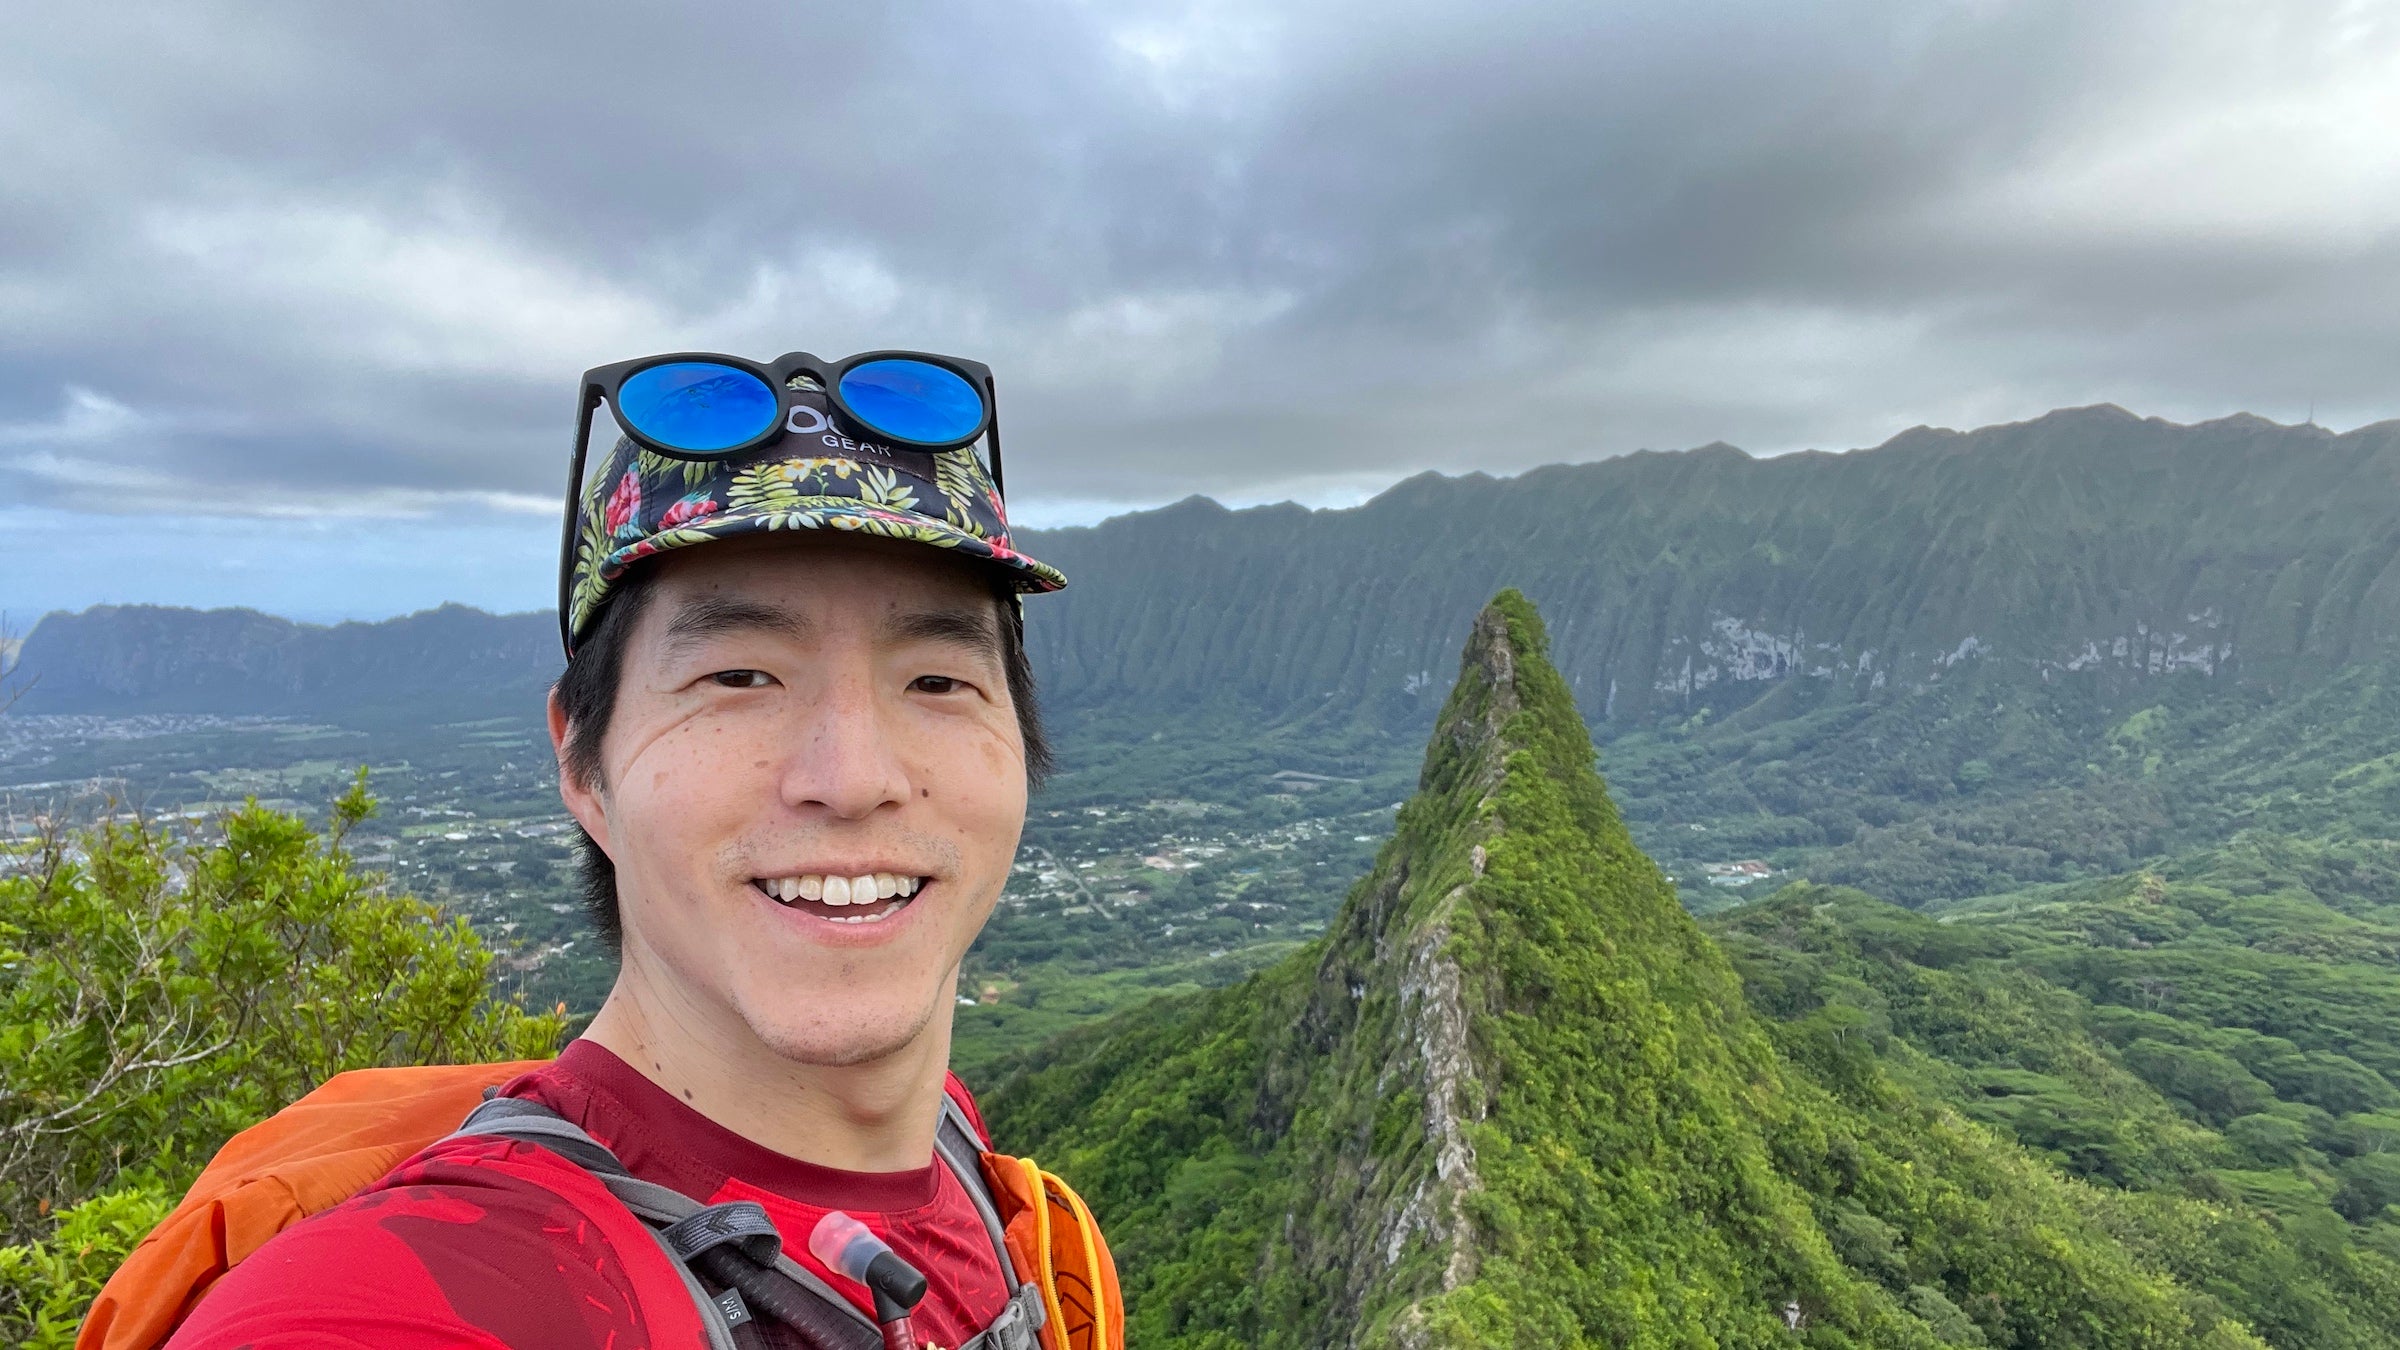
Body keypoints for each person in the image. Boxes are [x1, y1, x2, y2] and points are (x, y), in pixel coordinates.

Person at [165, 350, 1079, 1349]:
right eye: (739, 675)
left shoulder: (972, 1172)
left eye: (939, 681)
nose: (854, 776)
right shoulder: (440, 1286)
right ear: (582, 761)